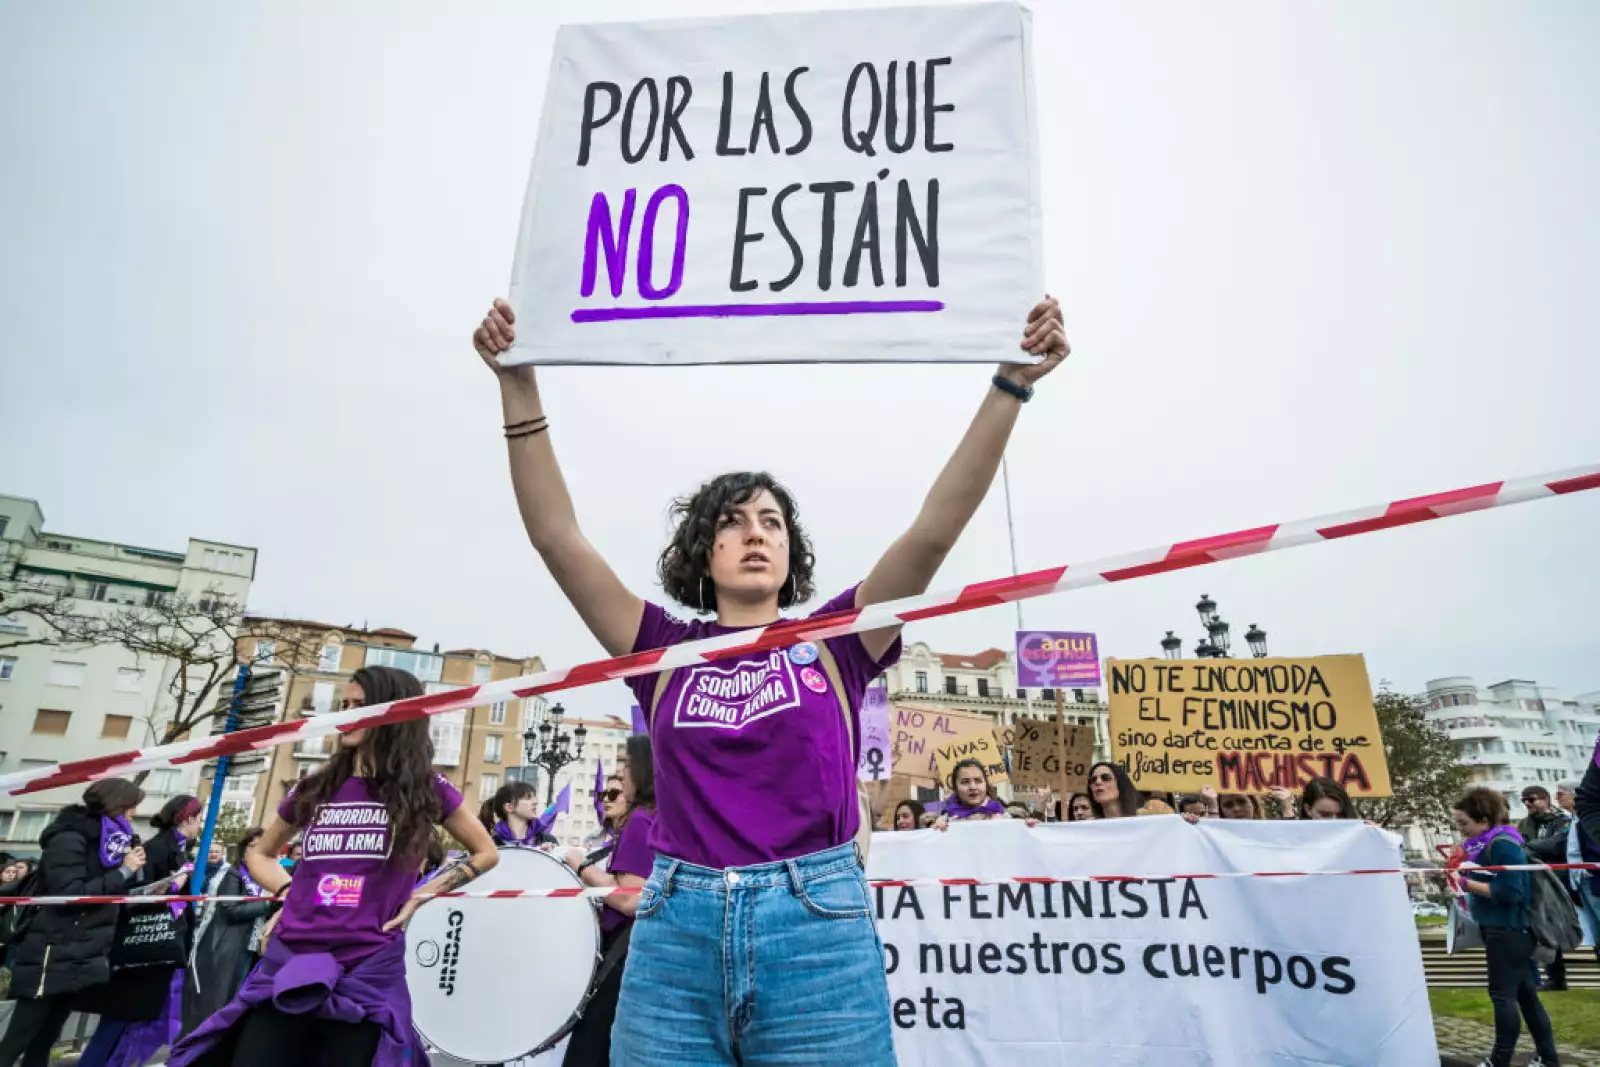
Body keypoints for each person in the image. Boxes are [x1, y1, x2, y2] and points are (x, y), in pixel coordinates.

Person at [472, 289, 1068, 1064]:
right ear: (703, 551)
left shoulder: (840, 639)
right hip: (676, 938)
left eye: (772, 522)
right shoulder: (659, 649)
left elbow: (931, 533)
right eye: (732, 521)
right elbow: (559, 538)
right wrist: (516, 381)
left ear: (791, 552)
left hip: (816, 935)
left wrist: (1011, 383)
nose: (754, 534)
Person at [171, 667, 500, 1067]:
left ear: (394, 713)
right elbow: (259, 854)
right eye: (344, 704)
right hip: (290, 958)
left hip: (365, 967)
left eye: (360, 705)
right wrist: (287, 893)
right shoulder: (315, 787)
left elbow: (486, 852)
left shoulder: (426, 788)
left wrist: (421, 895)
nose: (346, 714)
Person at [0, 779, 146, 1067]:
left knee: (46, 1038)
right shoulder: (70, 837)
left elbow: (107, 892)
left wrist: (137, 883)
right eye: (131, 806)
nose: (134, 814)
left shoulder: (114, 843)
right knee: (19, 1037)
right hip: (53, 947)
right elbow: (70, 894)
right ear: (115, 804)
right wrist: (124, 871)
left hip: (84, 950)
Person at [73, 794, 204, 1067]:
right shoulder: (156, 848)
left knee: (130, 1024)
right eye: (199, 818)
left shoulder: (179, 849)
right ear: (189, 818)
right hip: (142, 948)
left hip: (159, 946)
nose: (200, 825)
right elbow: (133, 895)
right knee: (116, 1022)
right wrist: (171, 886)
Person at [560, 735, 657, 1067]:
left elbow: (629, 898)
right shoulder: (659, 817)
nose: (621, 773)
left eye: (626, 765)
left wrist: (581, 867)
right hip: (639, 950)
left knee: (589, 1048)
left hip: (624, 950)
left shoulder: (640, 820)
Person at [1453, 787, 1561, 1067]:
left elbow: (1511, 892)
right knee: (1526, 997)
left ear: (1484, 820)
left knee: (1502, 996)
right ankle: (1548, 1059)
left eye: (1464, 822)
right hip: (1502, 928)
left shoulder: (1502, 844)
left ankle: (1499, 1060)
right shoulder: (1488, 844)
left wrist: (1467, 883)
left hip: (1508, 929)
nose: (1460, 829)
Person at [179, 834, 275, 1039]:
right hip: (228, 945)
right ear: (243, 851)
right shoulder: (234, 874)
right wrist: (267, 904)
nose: (258, 850)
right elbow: (230, 910)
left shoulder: (269, 876)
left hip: (254, 945)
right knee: (218, 1002)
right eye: (252, 846)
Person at [933, 759, 1008, 826]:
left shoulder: (1002, 814)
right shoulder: (945, 821)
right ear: (955, 788)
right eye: (965, 782)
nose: (973, 787)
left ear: (986, 784)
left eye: (978, 781)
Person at [479, 779, 551, 848]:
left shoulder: (547, 841)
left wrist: (549, 853)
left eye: (534, 798)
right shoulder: (489, 844)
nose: (535, 802)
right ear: (509, 807)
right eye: (528, 798)